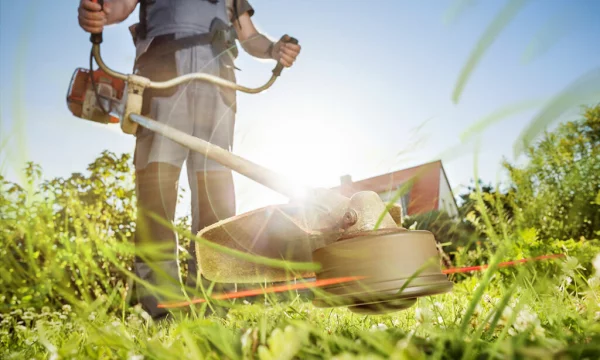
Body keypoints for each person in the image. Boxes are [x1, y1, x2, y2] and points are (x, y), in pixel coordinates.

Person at [77, 0, 301, 321]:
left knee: (217, 200)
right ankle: (157, 313)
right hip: (162, 75)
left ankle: (216, 310)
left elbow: (248, 36)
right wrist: (96, 14)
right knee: (156, 196)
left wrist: (275, 49)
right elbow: (117, 8)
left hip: (218, 80)